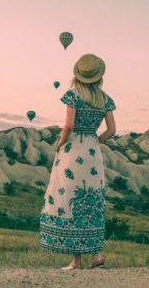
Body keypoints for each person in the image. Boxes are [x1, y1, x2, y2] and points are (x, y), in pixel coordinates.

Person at [39, 53, 117, 270]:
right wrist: (95, 140)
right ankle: (98, 254)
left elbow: (69, 125)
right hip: (92, 152)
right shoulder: (105, 99)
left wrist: (59, 144)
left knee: (71, 197)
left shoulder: (73, 95)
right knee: (93, 200)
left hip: (73, 152)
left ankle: (76, 260)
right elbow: (112, 130)